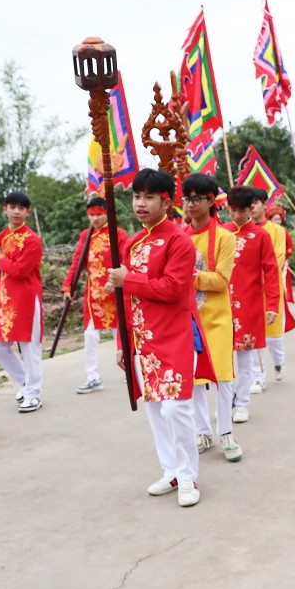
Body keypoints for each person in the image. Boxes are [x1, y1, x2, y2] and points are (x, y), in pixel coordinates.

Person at [107, 169, 216, 507]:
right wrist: (124, 344)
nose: (140, 203)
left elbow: (172, 289)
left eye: (148, 196)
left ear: (166, 202)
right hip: (143, 339)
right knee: (155, 409)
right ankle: (170, 470)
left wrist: (129, 280)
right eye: (137, 196)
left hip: (175, 336)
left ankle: (188, 476)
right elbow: (124, 298)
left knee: (176, 408)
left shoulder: (178, 241)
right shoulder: (132, 242)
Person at [183, 173, 242, 462]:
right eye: (186, 199)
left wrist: (190, 276)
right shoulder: (179, 237)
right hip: (187, 318)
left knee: (222, 376)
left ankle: (226, 432)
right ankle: (202, 432)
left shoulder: (225, 237)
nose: (190, 205)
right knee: (193, 378)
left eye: (196, 199)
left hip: (216, 318)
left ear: (210, 201)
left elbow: (221, 279)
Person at [223, 186, 279, 423]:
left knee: (245, 359)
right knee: (222, 360)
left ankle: (242, 403)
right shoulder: (222, 233)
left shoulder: (261, 236)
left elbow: (271, 272)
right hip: (220, 307)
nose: (237, 215)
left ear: (251, 209)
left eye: (242, 210)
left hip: (249, 306)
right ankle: (227, 403)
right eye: (233, 210)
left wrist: (272, 306)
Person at [62, 196, 127, 394]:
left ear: (107, 213)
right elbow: (77, 262)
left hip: (115, 292)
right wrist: (68, 286)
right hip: (94, 297)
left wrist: (115, 281)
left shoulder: (119, 234)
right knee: (90, 335)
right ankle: (93, 377)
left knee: (121, 334)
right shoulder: (85, 236)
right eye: (92, 215)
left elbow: (126, 261)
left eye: (99, 214)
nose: (95, 219)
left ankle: (129, 370)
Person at [0, 190, 44, 412]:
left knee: (30, 349)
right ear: (5, 209)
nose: (17, 212)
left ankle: (34, 394)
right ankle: (24, 382)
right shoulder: (0, 238)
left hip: (27, 300)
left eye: (21, 208)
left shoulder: (33, 240)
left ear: (28, 212)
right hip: (6, 302)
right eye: (13, 207)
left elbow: (20, 271)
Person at [251, 189, 294, 387]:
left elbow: (277, 258)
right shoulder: (242, 230)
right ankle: (258, 377)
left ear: (264, 205)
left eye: (255, 203)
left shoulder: (277, 231)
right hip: (249, 291)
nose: (251, 207)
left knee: (274, 336)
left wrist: (254, 272)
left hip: (271, 290)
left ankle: (279, 363)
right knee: (252, 336)